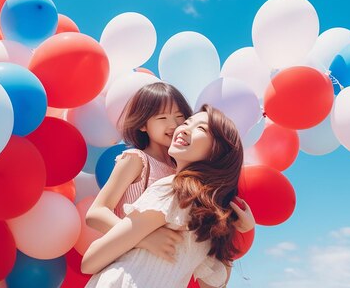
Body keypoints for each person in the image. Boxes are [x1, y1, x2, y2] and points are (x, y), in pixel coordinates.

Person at [82, 104, 251, 288]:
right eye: (187, 122)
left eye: (201, 128)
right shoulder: (206, 217)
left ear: (217, 152)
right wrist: (238, 229)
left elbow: (90, 261)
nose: (185, 129)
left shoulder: (172, 189)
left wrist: (139, 239)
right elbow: (215, 284)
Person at [85, 82, 193, 260]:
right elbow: (96, 213)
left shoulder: (182, 171)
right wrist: (144, 238)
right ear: (143, 125)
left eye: (179, 116)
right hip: (130, 265)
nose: (173, 124)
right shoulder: (137, 159)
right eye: (162, 118)